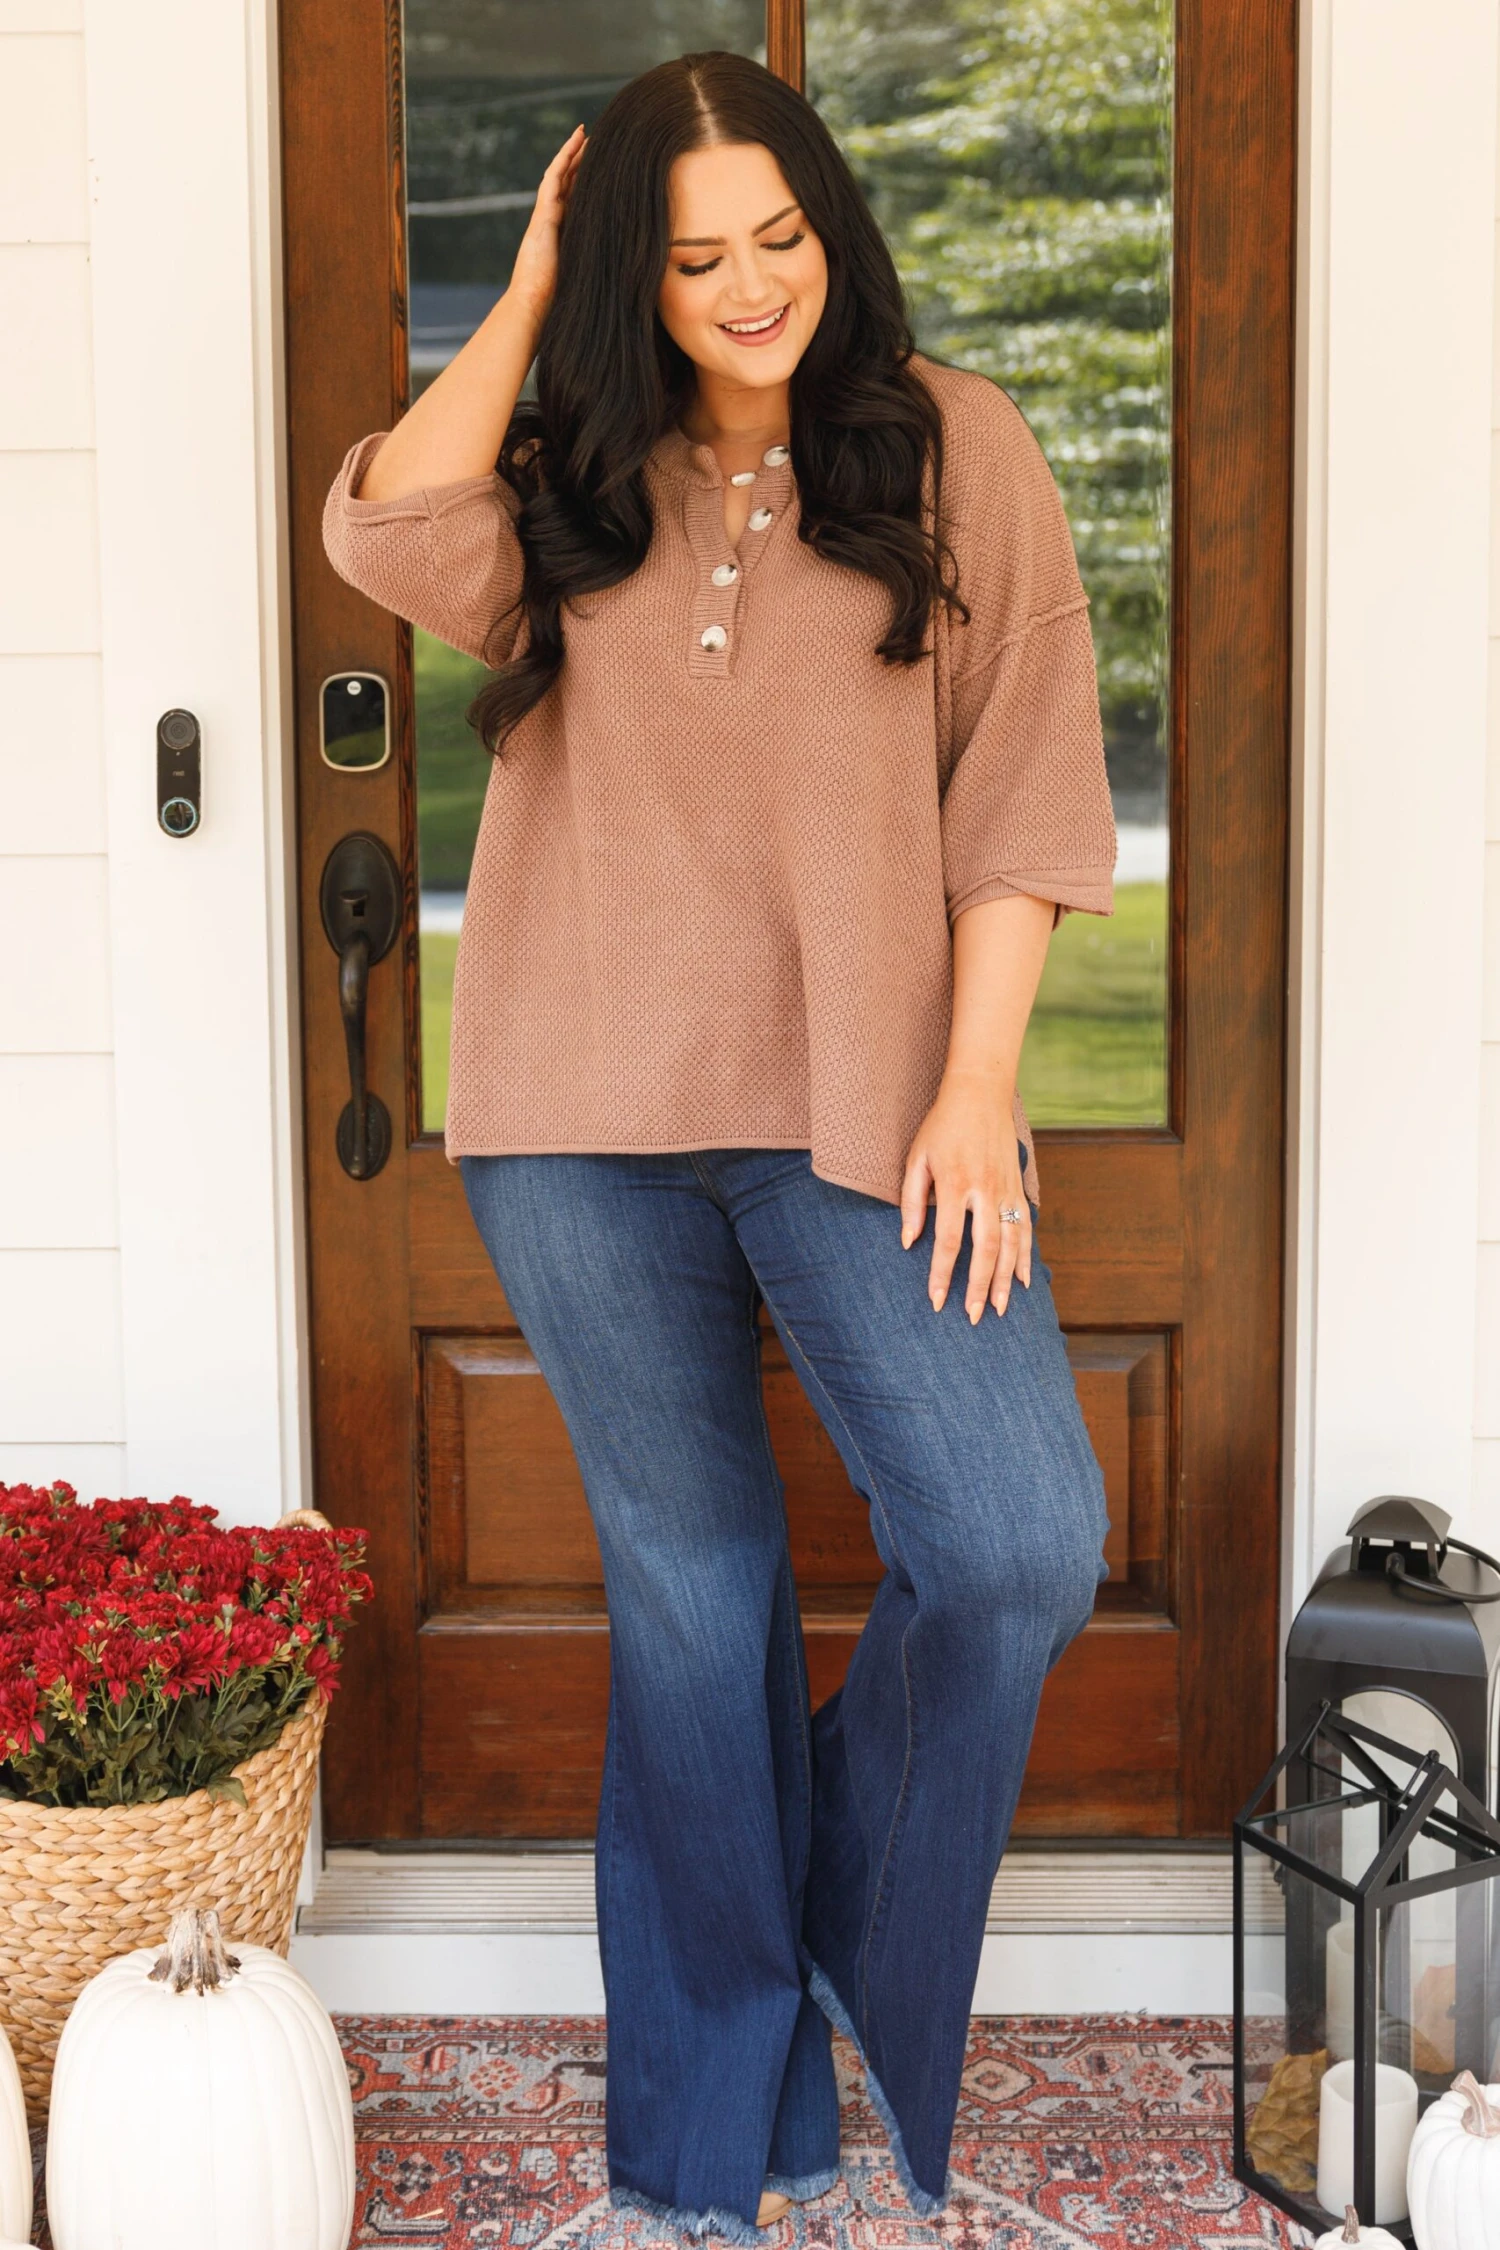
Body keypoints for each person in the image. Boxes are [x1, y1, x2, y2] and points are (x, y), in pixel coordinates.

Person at [324, 49, 1115, 2244]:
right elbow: (381, 529)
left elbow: (1025, 791)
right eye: (690, 257)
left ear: (831, 226)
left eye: (779, 236)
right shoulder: (569, 466)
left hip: (869, 1106)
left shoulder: (956, 447)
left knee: (1022, 1540)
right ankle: (704, 2146)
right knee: (693, 1602)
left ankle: (826, 1905)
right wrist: (534, 283)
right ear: (633, 274)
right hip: (576, 1117)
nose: (750, 285)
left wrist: (977, 1082)